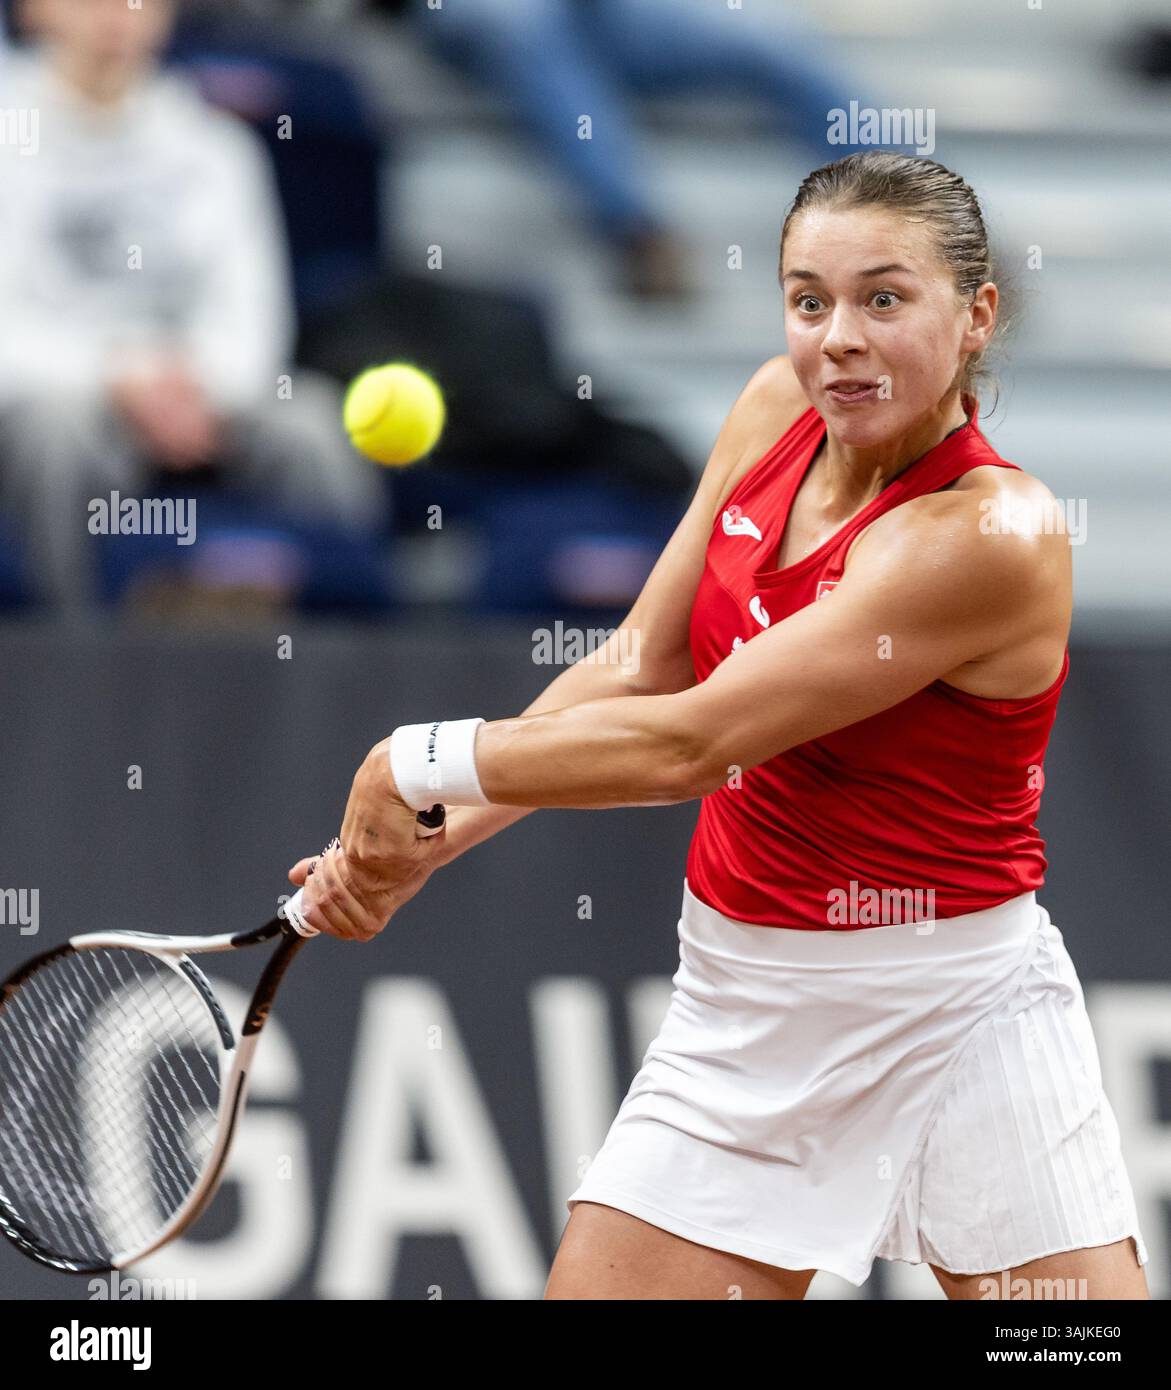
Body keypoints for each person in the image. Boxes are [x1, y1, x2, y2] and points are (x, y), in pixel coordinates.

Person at [288, 152, 1149, 1300]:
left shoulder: (988, 533)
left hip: (965, 1017)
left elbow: (690, 743)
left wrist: (415, 761)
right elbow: (641, 665)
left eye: (883, 299)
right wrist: (442, 829)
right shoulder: (773, 408)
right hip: (744, 1017)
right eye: (809, 300)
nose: (837, 336)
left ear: (976, 314)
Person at [0, 0, 383, 611]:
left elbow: (253, 321)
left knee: (314, 429)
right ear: (35, 10)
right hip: (60, 394)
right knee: (56, 435)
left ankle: (332, 664)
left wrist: (190, 384)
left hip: (198, 392)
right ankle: (72, 649)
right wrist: (119, 377)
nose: (119, 18)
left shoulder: (215, 146)